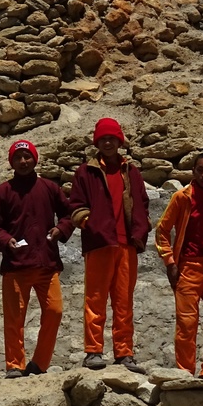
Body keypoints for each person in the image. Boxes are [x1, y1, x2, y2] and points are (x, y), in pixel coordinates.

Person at [0, 140, 75, 379]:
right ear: (11, 162)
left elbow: (68, 214)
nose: (23, 161)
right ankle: (15, 364)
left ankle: (40, 363)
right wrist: (5, 241)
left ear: (35, 159)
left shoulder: (49, 188)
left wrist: (60, 230)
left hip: (47, 263)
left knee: (54, 311)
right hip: (16, 266)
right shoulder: (3, 192)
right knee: (15, 319)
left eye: (27, 156)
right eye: (18, 157)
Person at [69, 118, 151, 373]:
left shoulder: (131, 171)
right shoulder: (86, 171)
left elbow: (142, 202)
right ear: (97, 142)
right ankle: (93, 351)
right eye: (103, 139)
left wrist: (141, 228)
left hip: (126, 244)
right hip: (99, 243)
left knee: (124, 301)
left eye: (112, 138)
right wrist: (90, 225)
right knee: (95, 299)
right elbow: (76, 206)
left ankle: (124, 352)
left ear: (119, 141)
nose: (107, 142)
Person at [154, 152, 203, 376]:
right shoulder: (182, 197)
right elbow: (162, 231)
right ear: (193, 171)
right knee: (186, 323)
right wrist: (169, 262)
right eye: (200, 169)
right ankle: (184, 371)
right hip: (187, 268)